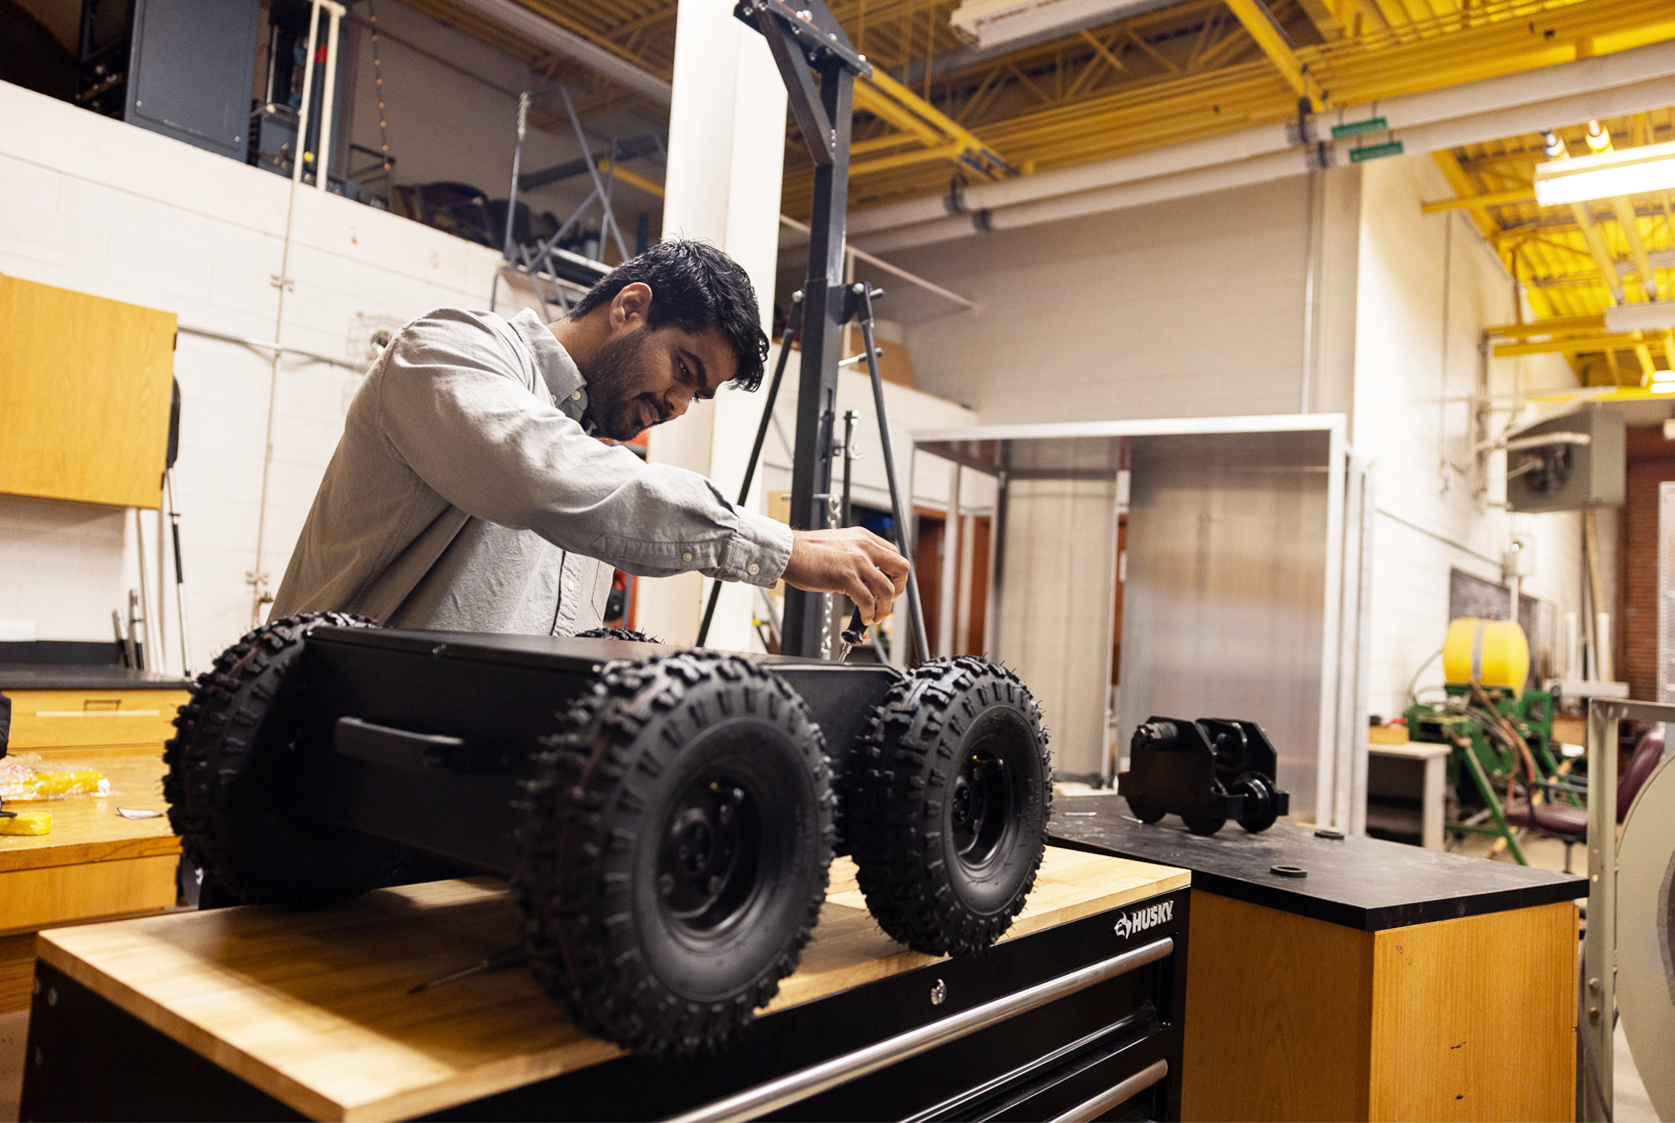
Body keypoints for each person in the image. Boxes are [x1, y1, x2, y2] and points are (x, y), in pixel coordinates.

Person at [270, 240, 909, 639]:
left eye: (697, 395)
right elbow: (538, 474)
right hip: (326, 766)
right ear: (630, 306)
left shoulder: (596, 453)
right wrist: (778, 547)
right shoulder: (447, 350)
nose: (677, 406)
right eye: (684, 371)